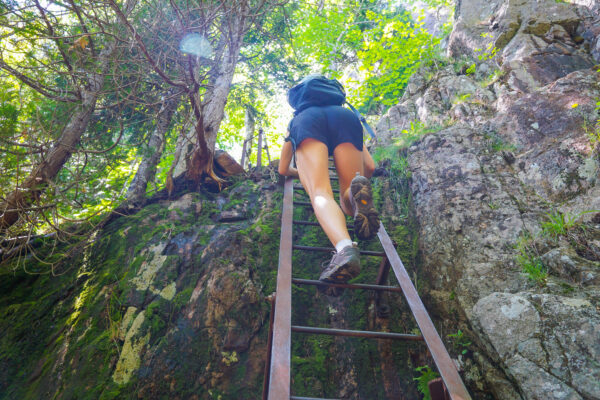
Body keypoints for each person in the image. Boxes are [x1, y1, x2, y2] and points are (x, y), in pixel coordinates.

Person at [278, 93, 380, 287]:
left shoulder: (297, 119)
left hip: (308, 124)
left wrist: (306, 174)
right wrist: (361, 179)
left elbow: (283, 169)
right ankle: (355, 196)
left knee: (320, 193)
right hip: (346, 120)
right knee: (349, 192)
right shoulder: (346, 112)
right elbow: (371, 167)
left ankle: (345, 249)